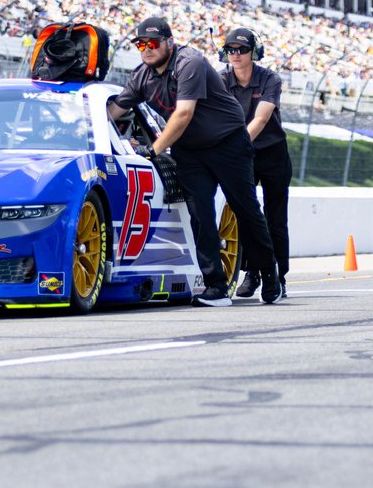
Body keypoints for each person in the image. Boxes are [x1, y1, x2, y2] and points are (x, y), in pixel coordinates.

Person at [108, 16, 282, 307]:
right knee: (199, 214)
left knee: (246, 210)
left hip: (227, 143)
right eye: (140, 44)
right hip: (190, 151)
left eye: (152, 43)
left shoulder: (190, 62)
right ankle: (215, 286)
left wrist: (153, 150)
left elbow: (184, 113)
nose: (146, 49)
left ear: (169, 42)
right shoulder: (141, 75)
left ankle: (269, 273)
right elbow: (115, 109)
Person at [220, 27, 293, 298]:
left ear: (254, 52)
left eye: (241, 50)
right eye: (230, 50)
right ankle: (253, 272)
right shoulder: (220, 79)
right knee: (248, 215)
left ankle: (280, 276)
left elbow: (261, 119)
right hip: (242, 156)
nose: (236, 55)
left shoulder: (269, 79)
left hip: (272, 153)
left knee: (275, 218)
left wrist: (237, 145)